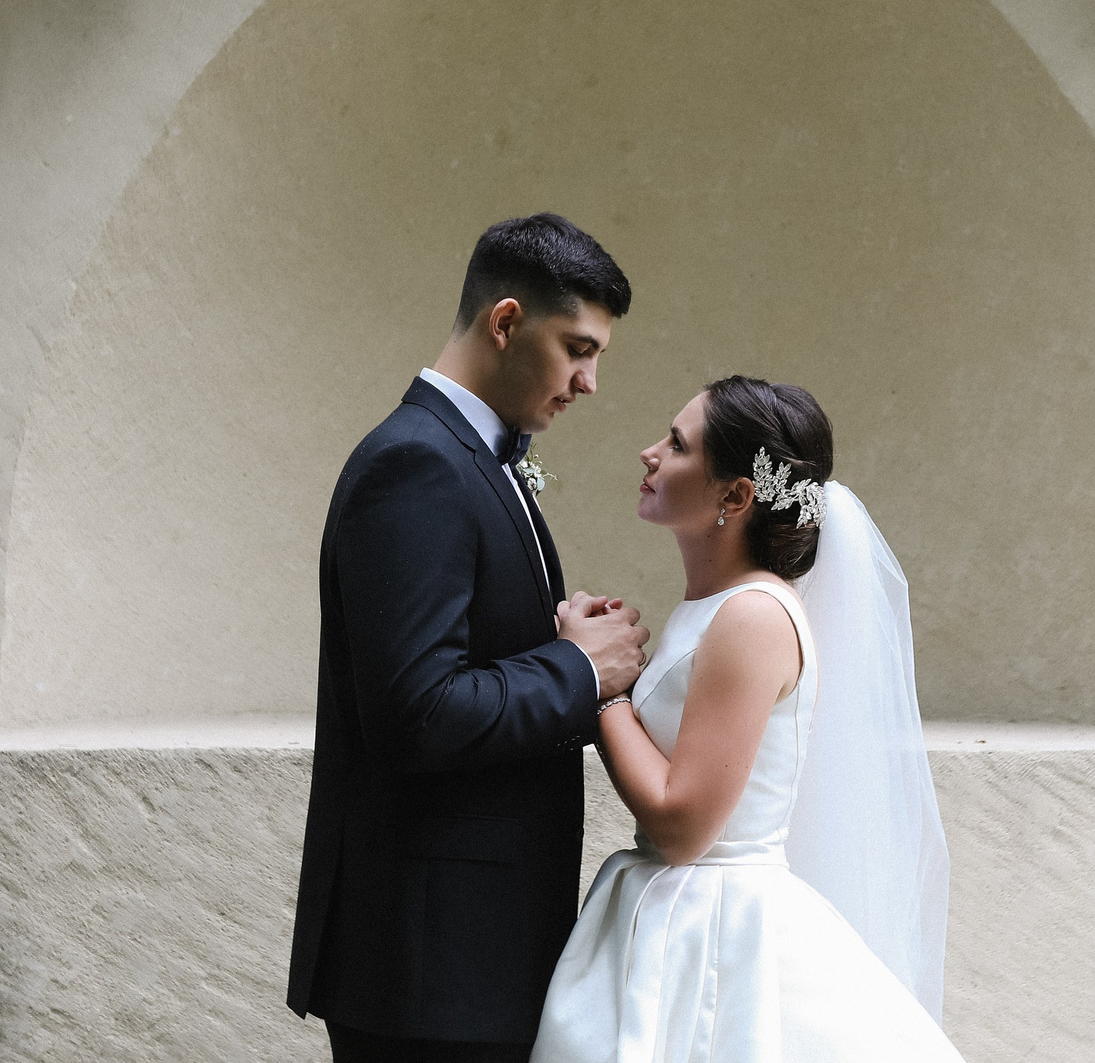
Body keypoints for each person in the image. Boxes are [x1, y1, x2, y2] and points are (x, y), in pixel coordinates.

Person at [290, 213, 654, 1062]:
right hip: (426, 964)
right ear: (505, 321)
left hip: (470, 955)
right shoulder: (415, 464)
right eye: (578, 347)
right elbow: (417, 710)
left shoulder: (477, 458)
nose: (589, 381)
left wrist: (560, 639)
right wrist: (575, 668)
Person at [532, 376, 961, 1063]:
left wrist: (602, 685)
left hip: (713, 928)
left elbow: (682, 824)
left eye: (676, 444)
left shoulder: (754, 615)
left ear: (735, 495)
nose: (649, 453)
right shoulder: (716, 606)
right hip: (667, 908)